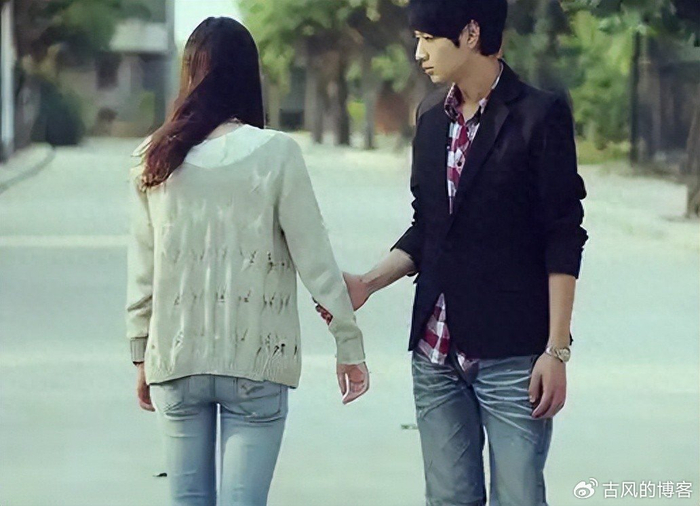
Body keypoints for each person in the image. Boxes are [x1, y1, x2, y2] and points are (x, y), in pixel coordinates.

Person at [318, 0, 588, 504]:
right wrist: (367, 283)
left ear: (470, 33)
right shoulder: (430, 117)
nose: (419, 53)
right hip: (436, 351)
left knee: (519, 497)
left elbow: (563, 236)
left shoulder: (538, 116)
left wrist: (556, 349)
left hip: (512, 355)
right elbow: (429, 227)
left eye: (428, 39)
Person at [125, 17, 369, 506]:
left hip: (175, 359)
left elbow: (143, 272)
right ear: (248, 76)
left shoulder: (153, 157)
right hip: (257, 364)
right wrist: (348, 342)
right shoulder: (276, 153)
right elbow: (316, 261)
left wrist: (140, 354)